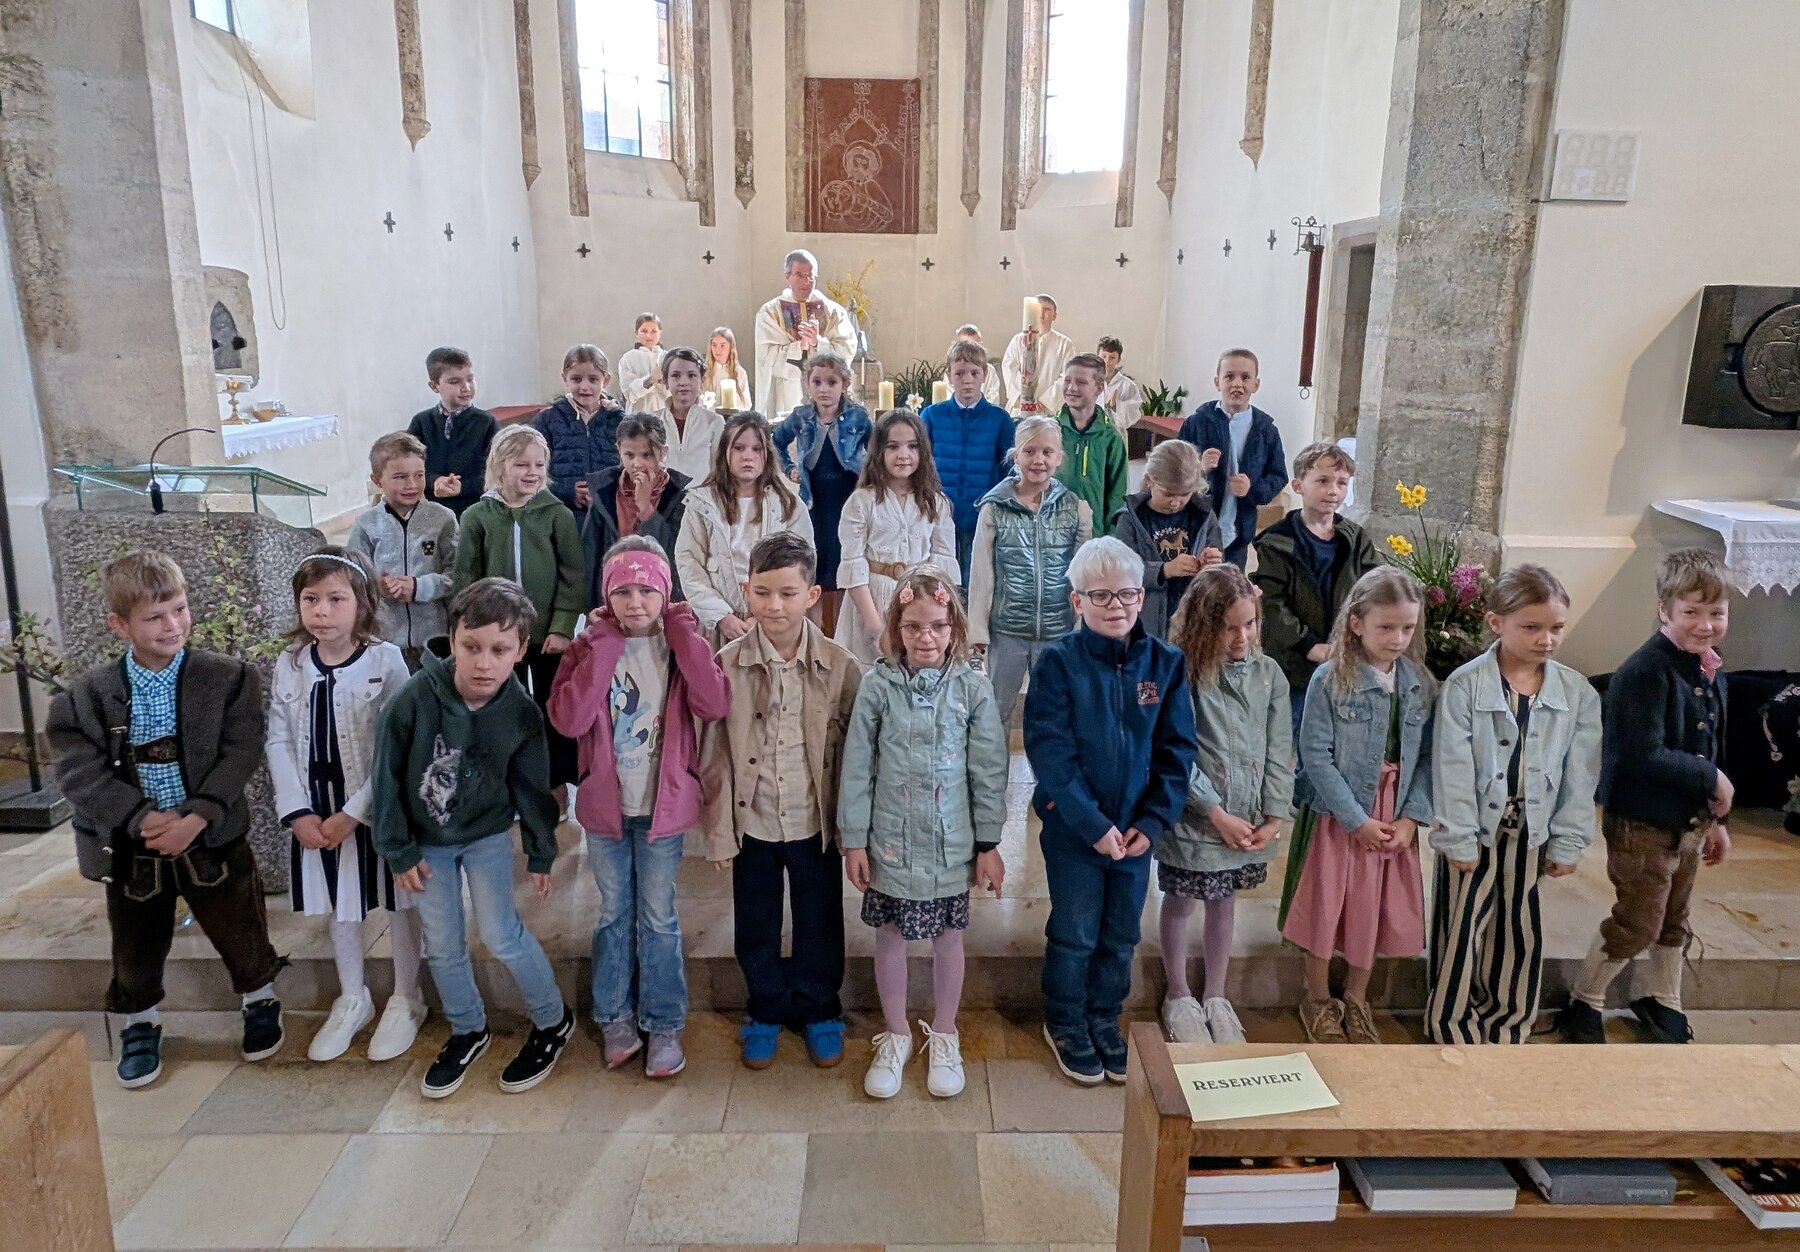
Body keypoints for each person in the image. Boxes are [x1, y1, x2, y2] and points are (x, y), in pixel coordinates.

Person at [48, 551, 285, 1089]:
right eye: (154, 617)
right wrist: (140, 817)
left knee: (239, 924)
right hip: (136, 845)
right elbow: (78, 769)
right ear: (119, 625)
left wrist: (198, 816)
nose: (172, 625)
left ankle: (259, 997)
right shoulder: (87, 696)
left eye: (179, 609)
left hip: (211, 835)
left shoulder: (227, 678)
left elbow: (241, 751)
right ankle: (139, 1021)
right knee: (136, 939)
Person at [372, 578, 574, 1099]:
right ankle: (467, 1028)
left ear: (520, 650)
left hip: (486, 836)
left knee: (502, 933)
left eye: (500, 650)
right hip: (427, 843)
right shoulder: (412, 701)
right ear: (453, 638)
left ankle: (553, 1020)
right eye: (472, 647)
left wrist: (541, 851)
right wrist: (398, 849)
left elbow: (531, 787)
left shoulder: (522, 713)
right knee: (442, 943)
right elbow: (386, 778)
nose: (484, 663)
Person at [547, 539, 730, 1080]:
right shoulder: (588, 646)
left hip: (661, 808)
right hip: (606, 808)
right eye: (622, 591)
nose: (635, 602)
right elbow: (569, 720)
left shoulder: (679, 644)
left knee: (658, 917)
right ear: (606, 596)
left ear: (665, 592)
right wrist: (602, 649)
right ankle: (614, 1016)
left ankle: (664, 1021)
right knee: (613, 914)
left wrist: (687, 637)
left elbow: (714, 703)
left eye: (647, 590)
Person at [1026, 536, 1198, 1084]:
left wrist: (1152, 821)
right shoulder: (1057, 663)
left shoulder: (1165, 663)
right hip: (1076, 829)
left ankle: (1104, 1017)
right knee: (1075, 931)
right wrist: (1092, 823)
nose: (1115, 606)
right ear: (1076, 601)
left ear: (1142, 596)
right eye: (1099, 596)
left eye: (1126, 594)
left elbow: (1177, 750)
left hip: (1136, 831)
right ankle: (1064, 1020)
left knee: (1122, 933)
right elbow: (1051, 752)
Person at [840, 567, 1006, 1099]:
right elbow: (857, 766)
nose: (926, 637)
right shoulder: (877, 686)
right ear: (897, 628)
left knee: (948, 938)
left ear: (954, 628)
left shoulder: (972, 689)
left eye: (937, 626)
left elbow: (987, 771)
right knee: (889, 934)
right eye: (913, 627)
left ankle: (945, 1032)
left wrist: (988, 843)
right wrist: (854, 838)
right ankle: (895, 1034)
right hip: (890, 842)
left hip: (949, 844)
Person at [700, 533, 863, 1070]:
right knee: (756, 923)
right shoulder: (725, 664)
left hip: (815, 822)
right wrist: (719, 832)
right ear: (746, 590)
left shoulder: (841, 666)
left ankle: (819, 1007)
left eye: (788, 593)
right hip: (755, 823)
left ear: (812, 595)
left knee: (820, 921)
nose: (774, 606)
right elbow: (714, 756)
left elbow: (856, 756)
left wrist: (854, 830)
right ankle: (765, 1007)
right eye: (763, 592)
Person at [1560, 548, 1734, 1046]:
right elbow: (1641, 754)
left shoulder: (1708, 668)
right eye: (1691, 612)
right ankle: (1585, 999)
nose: (1706, 625)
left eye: (1717, 612)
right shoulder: (1645, 673)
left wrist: (1717, 821)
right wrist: (1710, 777)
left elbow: (1711, 744)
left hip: (1688, 823)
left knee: (1675, 917)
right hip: (1642, 824)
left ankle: (1662, 997)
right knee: (1639, 920)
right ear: (1664, 609)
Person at [1428, 565, 1601, 1046]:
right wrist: (1458, 836)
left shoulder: (1577, 694)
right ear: (1495, 622)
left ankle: (1507, 1025)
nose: (1547, 639)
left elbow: (1580, 775)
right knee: (1461, 929)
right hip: (1474, 832)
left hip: (1531, 833)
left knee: (1518, 931)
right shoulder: (1464, 686)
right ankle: (1453, 1025)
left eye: (1556, 627)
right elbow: (1451, 767)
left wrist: (1568, 840)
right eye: (1532, 627)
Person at [266, 548, 424, 1063]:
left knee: (398, 900)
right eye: (311, 599)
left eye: (336, 599)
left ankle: (406, 996)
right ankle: (352, 996)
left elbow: (398, 744)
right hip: (316, 809)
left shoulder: (385, 659)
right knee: (340, 901)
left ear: (362, 603)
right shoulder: (291, 663)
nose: (322, 611)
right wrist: (296, 810)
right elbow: (278, 738)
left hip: (372, 806)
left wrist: (356, 811)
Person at [1279, 567, 1434, 1045]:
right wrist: (1354, 818)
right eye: (1386, 627)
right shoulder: (1330, 679)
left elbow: (1427, 757)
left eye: (1407, 628)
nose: (1398, 639)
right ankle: (1317, 998)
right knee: (1326, 906)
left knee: (1373, 907)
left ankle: (1357, 998)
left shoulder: (1418, 683)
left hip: (1393, 815)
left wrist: (1411, 818)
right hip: (1339, 813)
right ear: (1356, 622)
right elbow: (1315, 754)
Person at [1157, 565, 1293, 1044]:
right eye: (1229, 627)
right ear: (1203, 624)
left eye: (1249, 624)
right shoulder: (1182, 672)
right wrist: (1214, 812)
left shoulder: (1269, 674)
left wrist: (1274, 813)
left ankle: (1216, 995)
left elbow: (1280, 747)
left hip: (1247, 817)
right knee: (1181, 902)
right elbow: (1174, 752)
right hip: (1195, 819)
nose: (1242, 638)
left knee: (1223, 902)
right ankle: (1178, 994)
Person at [453, 425, 585, 800]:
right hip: (497, 639)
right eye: (521, 464)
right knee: (501, 709)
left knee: (551, 709)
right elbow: (466, 578)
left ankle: (555, 786)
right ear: (500, 466)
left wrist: (562, 627)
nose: (532, 472)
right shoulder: (478, 516)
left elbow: (573, 575)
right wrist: (472, 631)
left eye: (539, 465)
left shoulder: (557, 515)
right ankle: (505, 785)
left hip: (546, 636)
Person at [968, 415, 1094, 725]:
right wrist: (977, 630)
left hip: (1057, 630)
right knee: (997, 709)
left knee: (1052, 713)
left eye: (1047, 452)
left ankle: (1047, 760)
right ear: (1016, 456)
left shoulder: (1075, 509)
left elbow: (1084, 576)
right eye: (1030, 451)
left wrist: (1082, 625)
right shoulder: (994, 508)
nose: (1039, 460)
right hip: (1007, 629)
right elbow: (982, 574)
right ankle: (993, 760)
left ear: (1059, 457)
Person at [1252, 442, 1379, 733]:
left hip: (1344, 656)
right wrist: (1308, 645)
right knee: (1292, 732)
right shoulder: (1277, 542)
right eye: (1322, 481)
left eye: (1341, 483)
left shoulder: (1356, 539)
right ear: (1298, 485)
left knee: (1337, 735)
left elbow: (1374, 589)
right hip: (1294, 661)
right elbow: (1272, 602)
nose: (1333, 490)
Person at [674, 412, 815, 644]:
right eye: (739, 448)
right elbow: (689, 562)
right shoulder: (702, 504)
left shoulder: (787, 504)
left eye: (756, 449)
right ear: (724, 452)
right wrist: (720, 615)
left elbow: (803, 563)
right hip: (721, 621)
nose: (747, 456)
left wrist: (764, 615)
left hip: (774, 618)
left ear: (767, 454)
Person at [834, 410, 958, 664]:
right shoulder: (861, 502)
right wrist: (876, 627)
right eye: (893, 446)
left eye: (912, 446)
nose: (903, 454)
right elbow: (853, 565)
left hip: (920, 604)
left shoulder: (937, 503)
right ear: (879, 452)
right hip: (871, 600)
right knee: (867, 675)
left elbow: (943, 565)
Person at [772, 350, 871, 634]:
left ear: (844, 385)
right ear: (807, 384)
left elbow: (876, 447)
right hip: (814, 501)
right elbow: (776, 441)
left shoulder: (857, 417)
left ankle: (838, 631)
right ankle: (814, 631)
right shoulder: (801, 417)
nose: (824, 389)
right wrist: (789, 467)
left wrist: (868, 477)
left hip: (845, 499)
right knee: (814, 565)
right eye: (817, 382)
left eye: (832, 382)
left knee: (841, 566)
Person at [348, 431, 459, 671]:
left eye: (419, 475)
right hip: (385, 639)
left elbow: (456, 574)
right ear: (378, 480)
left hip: (434, 638)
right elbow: (352, 577)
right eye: (400, 477)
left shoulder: (443, 519)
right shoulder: (367, 524)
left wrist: (419, 587)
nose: (412, 485)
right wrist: (378, 586)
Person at [1177, 349, 1288, 568]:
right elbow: (1174, 467)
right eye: (1229, 376)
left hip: (1239, 530)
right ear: (1217, 382)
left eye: (1245, 377)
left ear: (1256, 384)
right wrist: (1198, 467)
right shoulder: (1197, 423)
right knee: (1194, 581)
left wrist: (1252, 488)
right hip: (1197, 525)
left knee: (1231, 583)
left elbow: (1278, 476)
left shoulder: (1266, 431)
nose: (1237, 384)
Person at [1109, 439, 1223, 640]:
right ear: (1149, 480)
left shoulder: (1204, 515)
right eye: (1168, 494)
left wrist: (1211, 562)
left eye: (1185, 494)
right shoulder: (1129, 519)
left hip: (1192, 621)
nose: (1176, 503)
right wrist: (1164, 570)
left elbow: (1219, 562)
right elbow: (1121, 573)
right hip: (1145, 623)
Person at [922, 338, 1014, 584]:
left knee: (977, 583)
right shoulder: (932, 415)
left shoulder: (999, 419)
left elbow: (1008, 471)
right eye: (960, 373)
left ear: (984, 375)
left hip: (981, 517)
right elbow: (921, 463)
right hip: (939, 516)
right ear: (949, 375)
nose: (967, 380)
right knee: (941, 584)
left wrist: (995, 507)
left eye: (974, 373)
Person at [581, 414, 692, 611]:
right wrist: (590, 608)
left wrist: (645, 507)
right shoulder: (604, 492)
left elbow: (675, 552)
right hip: (613, 597)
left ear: (663, 452)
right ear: (619, 450)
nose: (637, 464)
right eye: (629, 455)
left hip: (659, 598)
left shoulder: (680, 496)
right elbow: (589, 556)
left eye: (646, 455)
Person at [754, 249, 859, 421]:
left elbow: (846, 351)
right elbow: (766, 358)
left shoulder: (833, 312)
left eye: (811, 276)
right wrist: (799, 347)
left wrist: (818, 343)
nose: (806, 281)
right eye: (799, 275)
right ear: (787, 276)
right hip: (786, 393)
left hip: (826, 393)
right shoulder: (770, 313)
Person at [535, 344, 625, 521]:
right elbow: (534, 472)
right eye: (576, 379)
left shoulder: (620, 421)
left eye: (593, 379)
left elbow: (630, 468)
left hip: (610, 517)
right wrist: (567, 491)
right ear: (565, 378)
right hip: (563, 517)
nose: (584, 387)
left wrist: (608, 493)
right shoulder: (547, 420)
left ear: (606, 380)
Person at [407, 347, 498, 517]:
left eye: (470, 379)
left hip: (476, 511)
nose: (466, 387)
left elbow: (498, 473)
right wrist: (435, 481)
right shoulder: (421, 422)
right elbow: (409, 467)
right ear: (435, 386)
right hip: (431, 511)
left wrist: (461, 487)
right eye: (455, 382)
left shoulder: (486, 423)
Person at [1054, 354, 1129, 526]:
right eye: (1067, 381)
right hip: (1051, 530)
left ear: (1099, 388)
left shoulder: (1110, 437)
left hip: (1093, 532)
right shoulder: (1050, 431)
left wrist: (1110, 535)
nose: (1071, 388)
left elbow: (1117, 496)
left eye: (1081, 382)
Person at [656, 346, 727, 481]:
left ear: (702, 380)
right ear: (665, 381)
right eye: (676, 376)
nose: (684, 382)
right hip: (664, 493)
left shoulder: (714, 423)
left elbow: (720, 472)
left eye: (691, 375)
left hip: (703, 493)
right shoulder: (653, 422)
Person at [1001, 294, 1076, 417]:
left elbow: (1068, 375)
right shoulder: (1018, 340)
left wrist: (1046, 401)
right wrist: (1023, 398)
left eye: (1047, 310)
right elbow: (1009, 367)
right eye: (1039, 309)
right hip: (1020, 408)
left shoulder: (1064, 344)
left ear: (1055, 315)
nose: (1042, 314)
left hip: (1047, 410)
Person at [617, 313, 668, 417]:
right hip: (638, 413)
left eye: (654, 331)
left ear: (660, 333)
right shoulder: (628, 358)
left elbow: (676, 391)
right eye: (644, 331)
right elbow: (628, 393)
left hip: (665, 411)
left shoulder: (668, 357)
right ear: (636, 333)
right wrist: (649, 380)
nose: (648, 335)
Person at [1096, 336, 1144, 430]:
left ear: (1118, 359)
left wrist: (1115, 405)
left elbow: (1134, 413)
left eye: (1112, 357)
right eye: (1104, 356)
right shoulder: (1089, 382)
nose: (1107, 361)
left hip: (1116, 433)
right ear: (1097, 357)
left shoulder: (1128, 386)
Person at [954, 324, 1005, 407]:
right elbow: (950, 397)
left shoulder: (989, 371)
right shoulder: (954, 370)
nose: (970, 351)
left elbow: (993, 399)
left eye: (974, 345)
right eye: (965, 346)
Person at [704, 326, 754, 411]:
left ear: (731, 347)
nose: (717, 349)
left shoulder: (739, 372)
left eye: (722, 346)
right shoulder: (705, 372)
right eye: (714, 345)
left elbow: (746, 404)